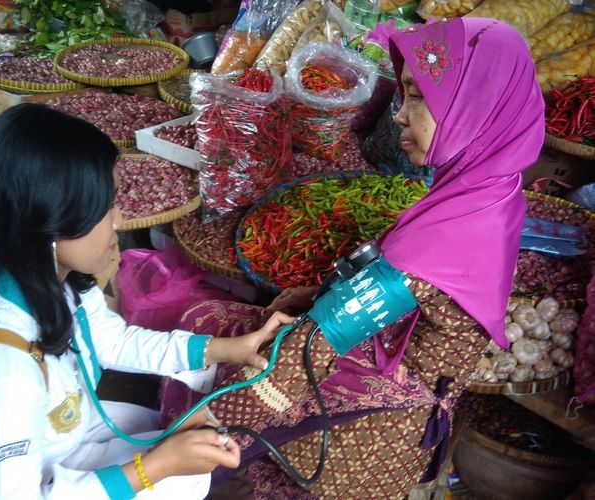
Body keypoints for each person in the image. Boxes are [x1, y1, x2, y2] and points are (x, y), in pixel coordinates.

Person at [160, 16, 544, 498]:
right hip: (413, 411)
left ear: (477, 108)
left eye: (420, 96)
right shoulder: (491, 187)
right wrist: (322, 295)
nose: (401, 114)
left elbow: (311, 351)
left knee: (231, 353)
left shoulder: (442, 241)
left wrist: (205, 425)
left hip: (368, 439)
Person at [0, 103, 293, 499]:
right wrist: (153, 468)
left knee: (198, 444)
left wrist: (224, 349)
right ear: (49, 223)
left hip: (62, 440)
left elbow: (113, 341)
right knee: (188, 470)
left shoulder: (47, 280)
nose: (119, 220)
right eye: (105, 207)